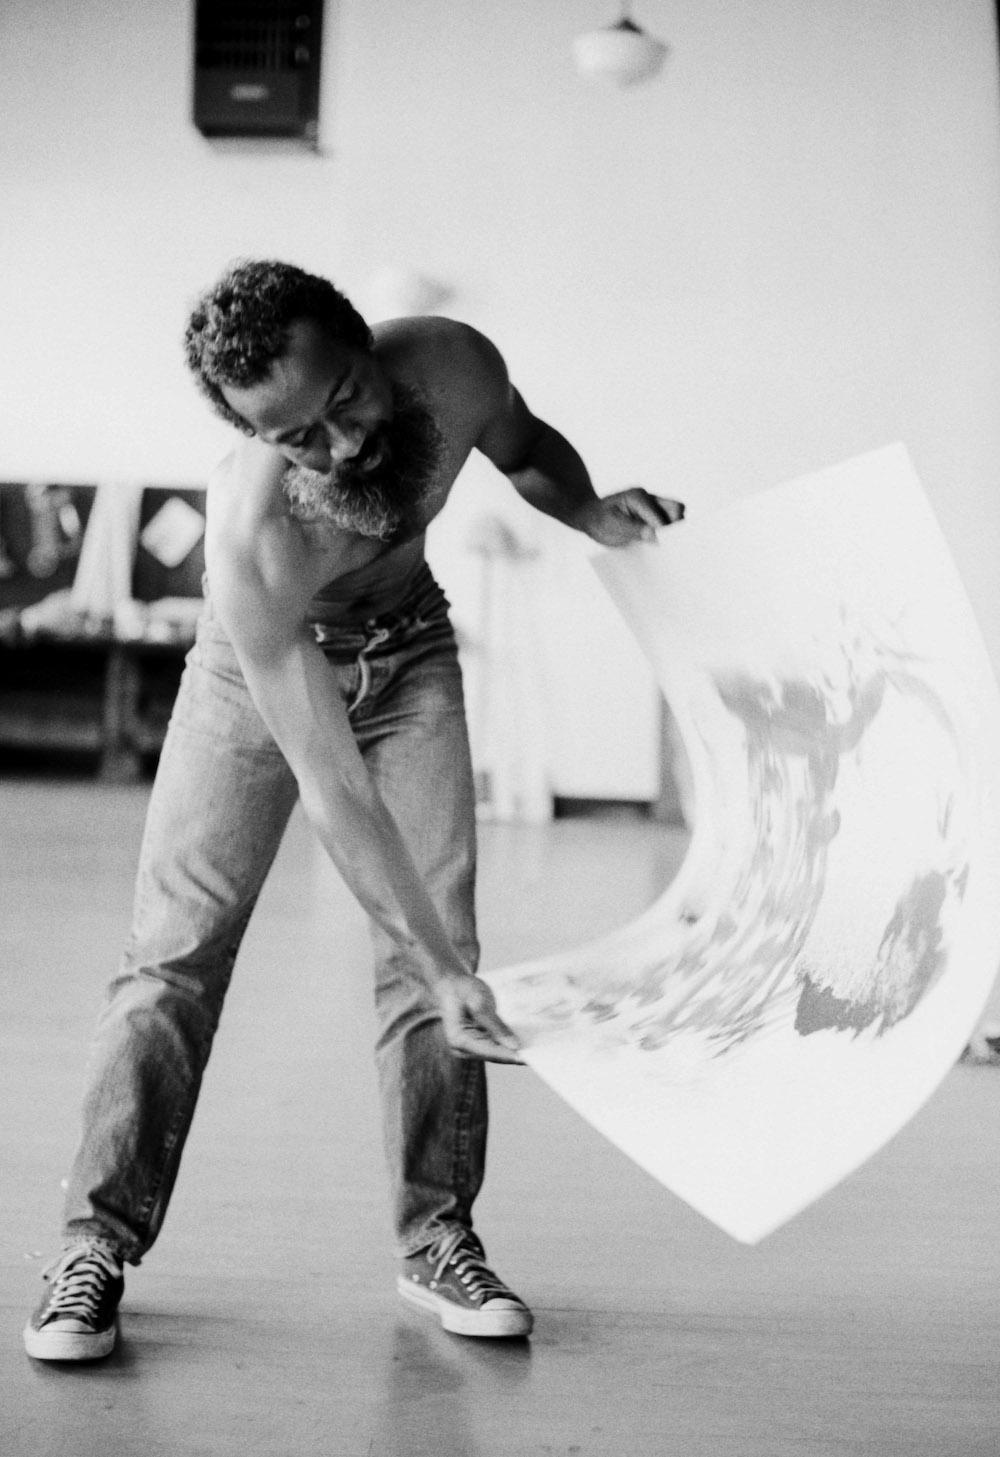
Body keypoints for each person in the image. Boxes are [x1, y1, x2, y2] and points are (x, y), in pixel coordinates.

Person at [23, 259, 683, 1361]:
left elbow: (523, 448)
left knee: (443, 950)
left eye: (342, 404)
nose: (334, 449)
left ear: (368, 345)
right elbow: (331, 784)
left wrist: (586, 507)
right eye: (294, 440)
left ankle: (437, 1238)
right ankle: (93, 1240)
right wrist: (427, 952)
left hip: (411, 647)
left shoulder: (455, 365)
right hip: (256, 677)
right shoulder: (254, 538)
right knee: (176, 949)